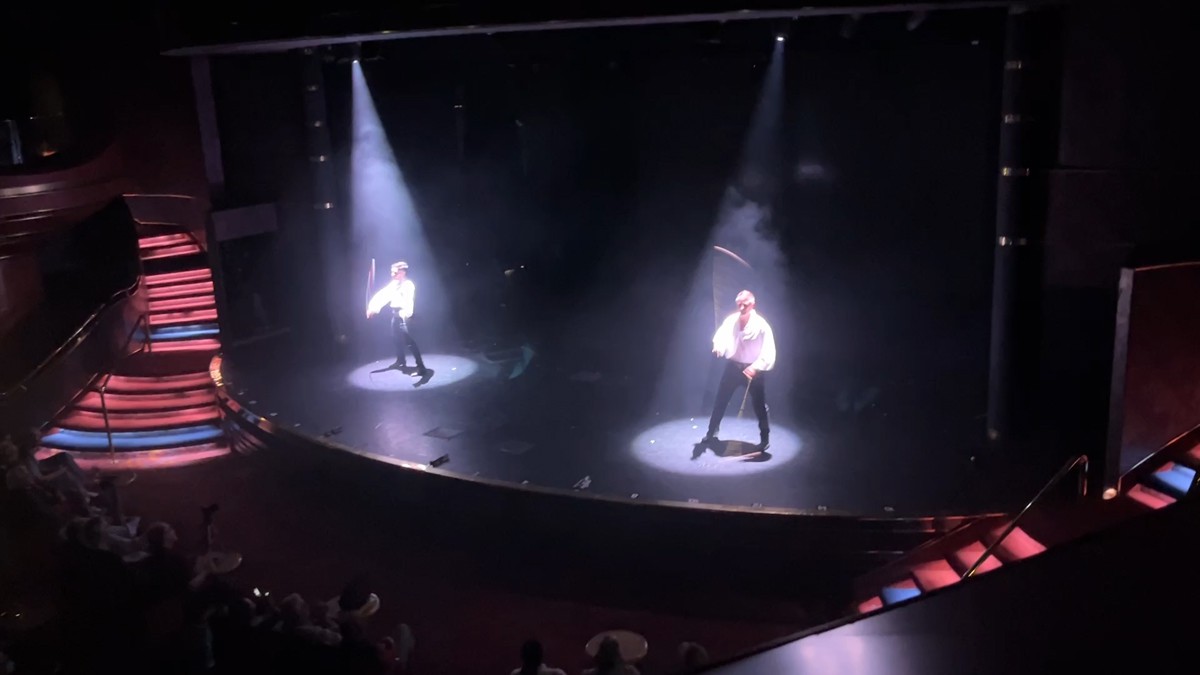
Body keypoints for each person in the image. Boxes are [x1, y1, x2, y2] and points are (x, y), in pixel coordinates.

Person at [703, 290, 776, 451]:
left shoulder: (762, 325)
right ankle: (711, 432)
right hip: (733, 367)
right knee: (721, 400)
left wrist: (756, 367)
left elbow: (769, 351)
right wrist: (719, 347)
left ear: (753, 305)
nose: (742, 307)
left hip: (753, 370)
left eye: (745, 304)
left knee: (759, 406)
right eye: (739, 304)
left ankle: (765, 438)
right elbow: (721, 337)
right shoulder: (731, 321)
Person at [367, 261, 431, 382]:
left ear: (402, 272)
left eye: (395, 272)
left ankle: (421, 367)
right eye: (392, 272)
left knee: (409, 342)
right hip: (395, 316)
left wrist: (406, 315)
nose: (392, 274)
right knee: (396, 339)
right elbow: (383, 295)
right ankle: (401, 361)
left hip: (403, 317)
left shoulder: (408, 285)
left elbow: (408, 302)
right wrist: (373, 309)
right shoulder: (394, 284)